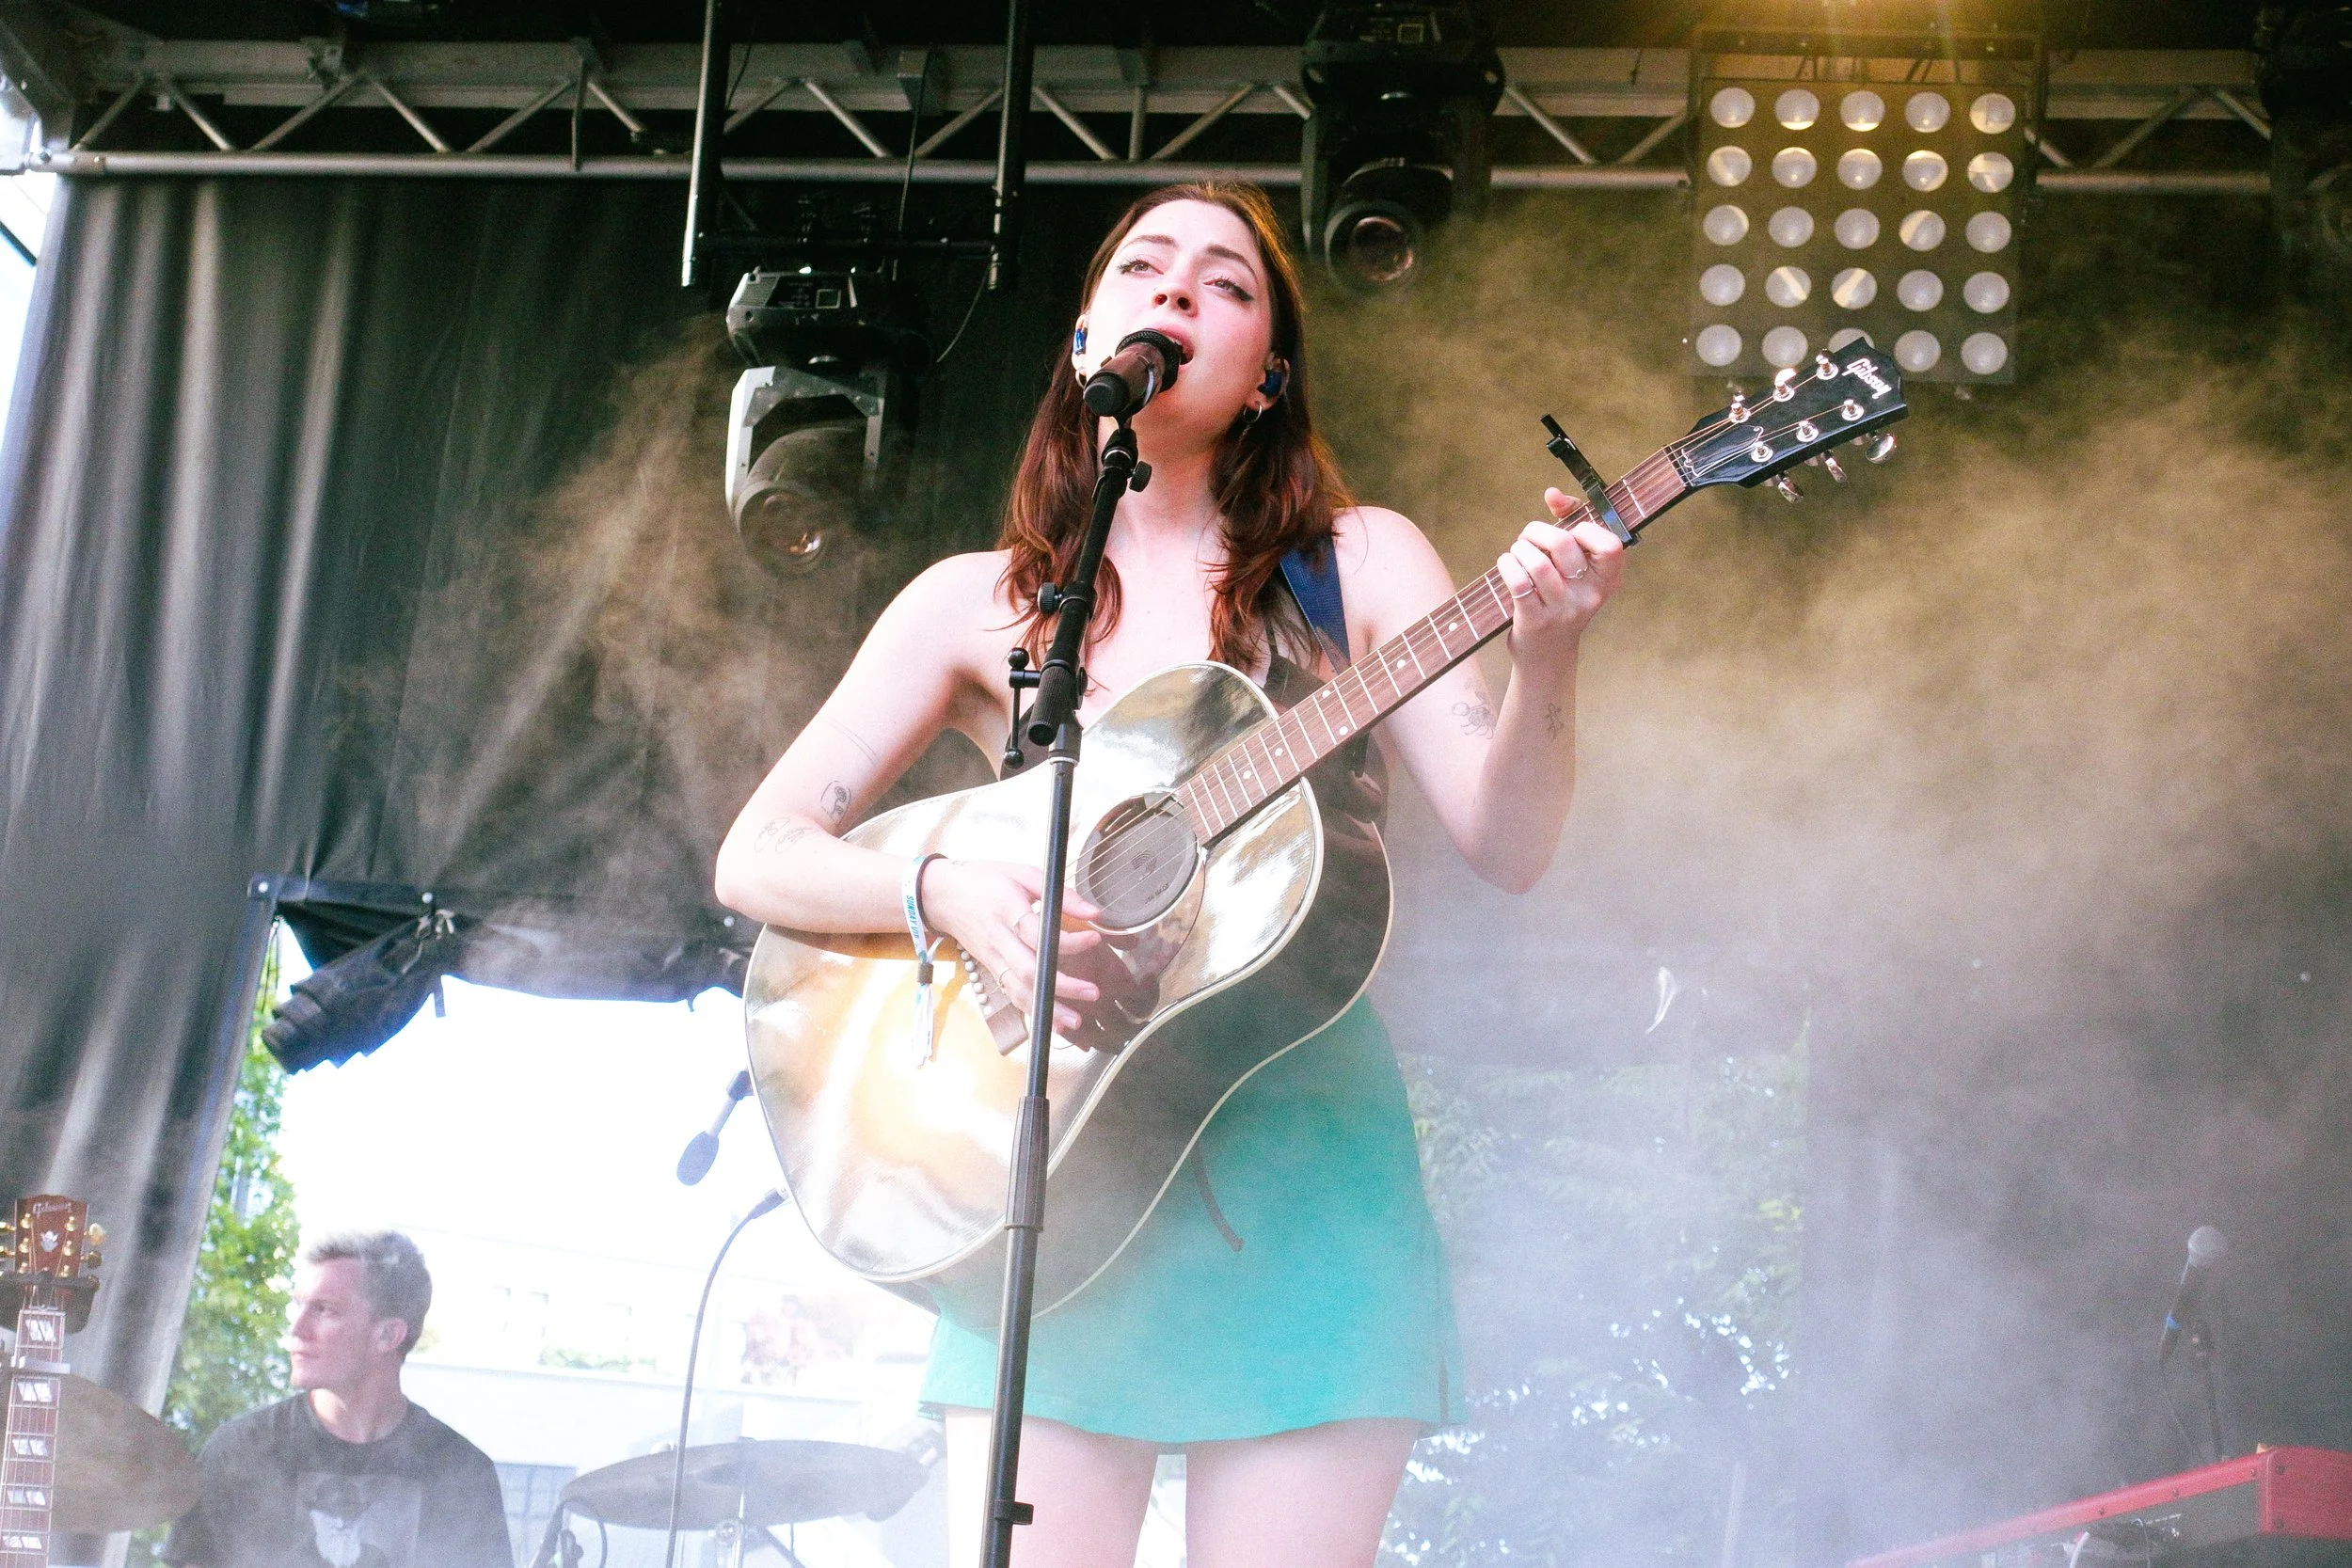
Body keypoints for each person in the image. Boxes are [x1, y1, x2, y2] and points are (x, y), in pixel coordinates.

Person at [713, 182, 1625, 1568]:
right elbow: (760, 851)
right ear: (1089, 337)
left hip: (1306, 1175)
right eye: (1145, 266)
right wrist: (946, 883)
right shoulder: (980, 601)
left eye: (1228, 282)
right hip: (1055, 1175)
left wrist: (1548, 653)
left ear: (1267, 376)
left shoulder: (1359, 563)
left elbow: (1509, 846)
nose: (1180, 289)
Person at [163, 1230, 512, 1568]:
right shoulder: (240, 1450)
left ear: (388, 1334)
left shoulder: (462, 1473)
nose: (296, 1329)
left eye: (324, 1310)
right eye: (298, 1306)